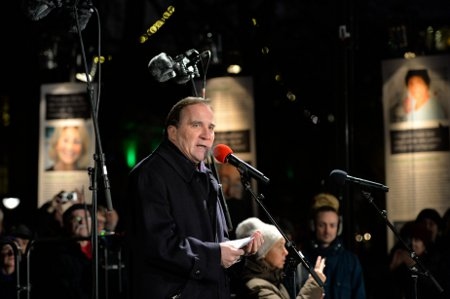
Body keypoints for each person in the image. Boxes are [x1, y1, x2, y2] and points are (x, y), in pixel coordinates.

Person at [125, 96, 264, 299]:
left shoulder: (206, 176)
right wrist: (216, 255)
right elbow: (158, 244)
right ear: (173, 132)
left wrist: (239, 249)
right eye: (196, 125)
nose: (207, 135)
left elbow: (216, 240)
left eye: (211, 127)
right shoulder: (149, 175)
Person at [234, 217, 326, 299]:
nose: (285, 252)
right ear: (263, 252)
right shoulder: (256, 287)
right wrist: (313, 286)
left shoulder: (274, 281)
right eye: (279, 246)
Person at [298, 193, 366, 299]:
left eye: (332, 225)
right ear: (313, 225)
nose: (327, 231)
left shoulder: (351, 261)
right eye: (322, 225)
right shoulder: (302, 260)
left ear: (339, 227)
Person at [32, 203, 93, 299]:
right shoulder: (59, 252)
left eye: (87, 218)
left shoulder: (101, 248)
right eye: (77, 219)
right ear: (67, 224)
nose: (82, 222)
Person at [388, 222, 447, 299]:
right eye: (412, 240)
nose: (413, 243)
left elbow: (432, 284)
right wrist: (394, 265)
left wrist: (413, 264)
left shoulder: (434, 259)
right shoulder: (407, 255)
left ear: (424, 243)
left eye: (417, 240)